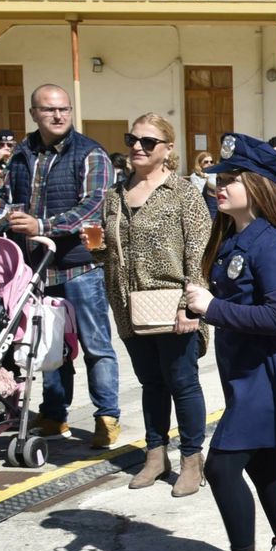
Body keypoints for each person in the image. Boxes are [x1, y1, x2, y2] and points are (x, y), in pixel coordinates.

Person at [180, 135, 276, 551]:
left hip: (267, 378)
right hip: (245, 374)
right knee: (266, 468)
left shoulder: (271, 242)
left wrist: (212, 307)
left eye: (231, 179)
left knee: (222, 466)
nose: (219, 185)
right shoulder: (234, 237)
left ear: (259, 184)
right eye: (219, 177)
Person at [0, 84, 119, 448]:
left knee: (95, 344)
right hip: (36, 268)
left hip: (79, 267)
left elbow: (93, 207)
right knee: (49, 345)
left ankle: (107, 417)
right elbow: (7, 200)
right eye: (49, 110)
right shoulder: (22, 153)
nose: (58, 115)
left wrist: (43, 226)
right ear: (34, 113)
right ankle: (55, 415)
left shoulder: (91, 153)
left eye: (64, 109)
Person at [99, 113, 210, 497]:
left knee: (183, 383)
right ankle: (155, 453)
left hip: (172, 302)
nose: (137, 147)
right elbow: (110, 247)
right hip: (128, 304)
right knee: (151, 383)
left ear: (167, 150)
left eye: (148, 142)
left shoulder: (183, 194)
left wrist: (190, 305)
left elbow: (199, 252)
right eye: (133, 139)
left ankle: (192, 459)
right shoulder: (114, 194)